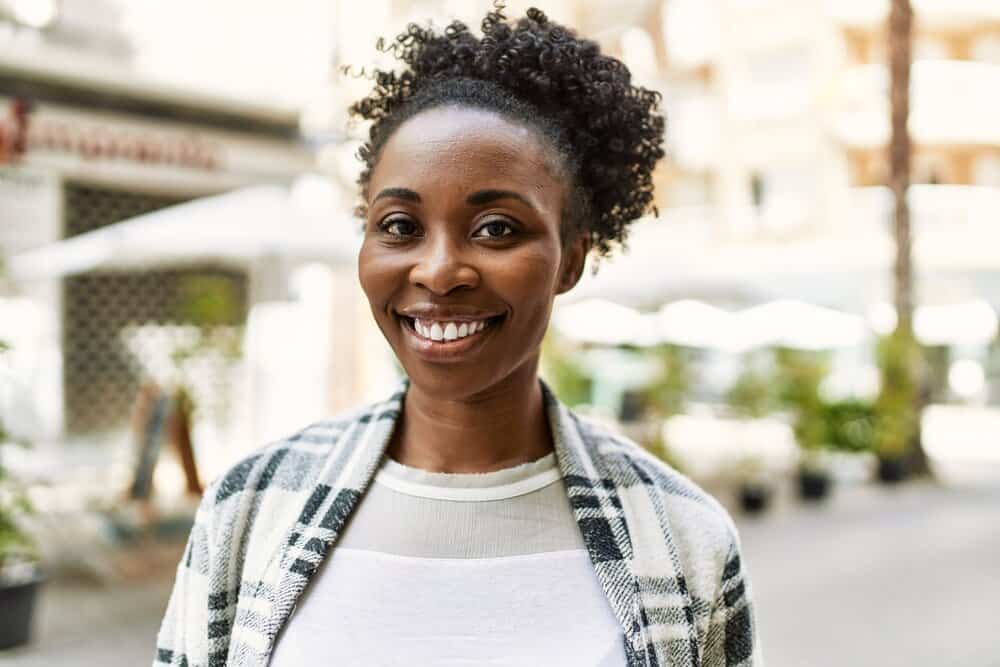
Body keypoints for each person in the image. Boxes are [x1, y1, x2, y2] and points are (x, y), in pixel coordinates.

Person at [154, 5, 760, 666]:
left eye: (497, 227)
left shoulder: (684, 538)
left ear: (571, 259)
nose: (438, 272)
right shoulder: (252, 505)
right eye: (399, 226)